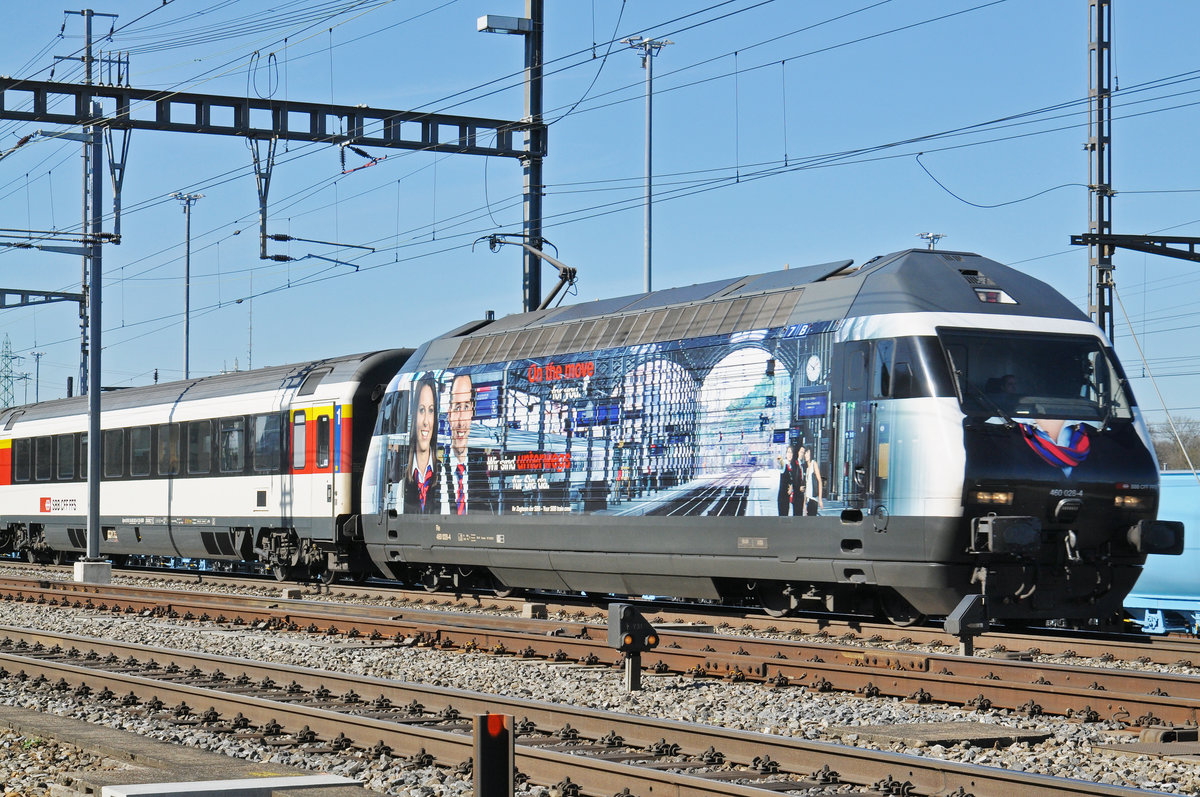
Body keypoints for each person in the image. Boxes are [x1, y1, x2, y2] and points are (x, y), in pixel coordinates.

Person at [441, 373, 493, 515]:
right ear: (449, 414)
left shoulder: (480, 475)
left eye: (466, 407)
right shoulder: (437, 474)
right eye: (457, 408)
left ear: (472, 413)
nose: (461, 421)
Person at [404, 375, 440, 514]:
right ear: (414, 416)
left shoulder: (444, 476)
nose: (426, 421)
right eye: (421, 410)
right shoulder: (402, 481)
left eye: (431, 411)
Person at [803, 447, 824, 516]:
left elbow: (819, 481)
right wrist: (804, 503)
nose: (806, 455)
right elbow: (806, 486)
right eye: (805, 453)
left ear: (811, 454)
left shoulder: (814, 463)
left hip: (813, 499)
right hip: (808, 500)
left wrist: (820, 499)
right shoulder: (806, 467)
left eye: (808, 453)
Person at [776, 444, 795, 516]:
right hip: (782, 496)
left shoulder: (793, 466)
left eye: (791, 452)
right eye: (788, 452)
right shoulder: (784, 464)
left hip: (788, 497)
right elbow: (781, 463)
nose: (790, 454)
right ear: (786, 454)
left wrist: (791, 487)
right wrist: (780, 460)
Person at [791, 445, 807, 517]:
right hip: (796, 494)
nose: (802, 454)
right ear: (798, 452)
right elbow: (793, 479)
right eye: (801, 452)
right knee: (796, 514)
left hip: (801, 494)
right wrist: (798, 488)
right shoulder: (794, 464)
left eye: (803, 452)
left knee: (799, 513)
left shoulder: (802, 465)